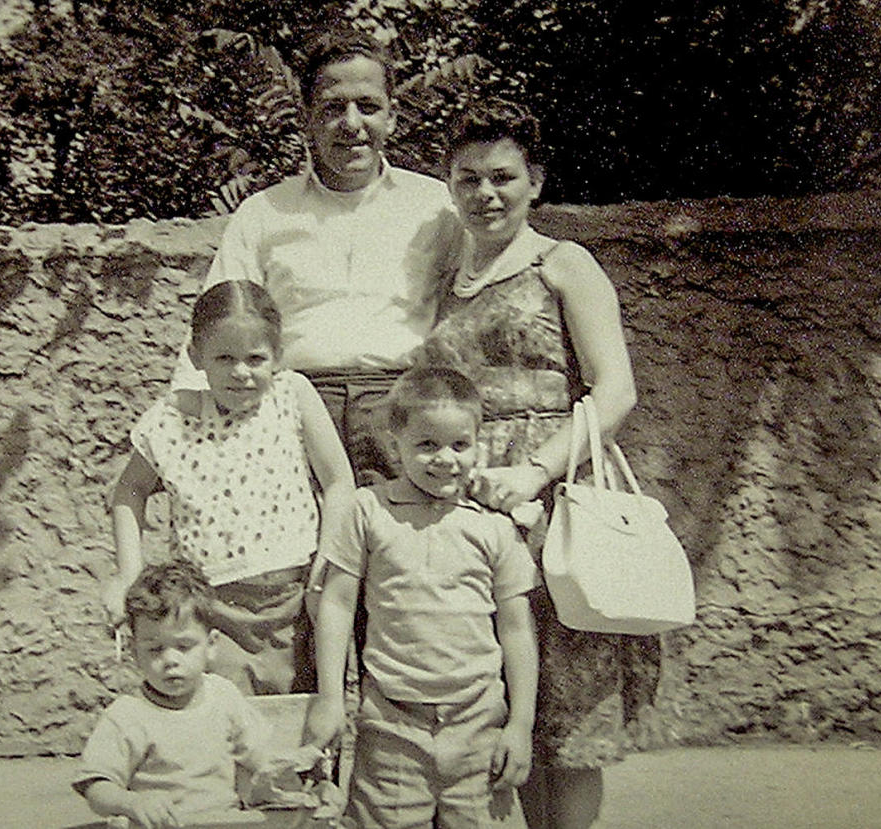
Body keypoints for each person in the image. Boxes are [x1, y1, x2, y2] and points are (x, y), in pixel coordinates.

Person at [417, 98, 651, 829]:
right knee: (507, 703)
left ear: (535, 182)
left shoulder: (564, 264)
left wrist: (538, 471)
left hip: (553, 500)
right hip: (472, 505)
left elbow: (616, 390)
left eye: (503, 177)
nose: (486, 194)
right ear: (449, 186)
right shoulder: (441, 284)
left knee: (569, 715)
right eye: (468, 179)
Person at [178, 26, 463, 484]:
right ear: (307, 118)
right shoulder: (263, 214)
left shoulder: (437, 208)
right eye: (333, 108)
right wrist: (194, 436)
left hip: (406, 417)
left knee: (403, 552)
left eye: (368, 106)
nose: (352, 124)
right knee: (297, 553)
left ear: (392, 117)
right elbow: (215, 326)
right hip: (290, 413)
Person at [303, 366, 540, 828]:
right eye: (426, 445)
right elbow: (335, 604)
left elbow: (516, 630)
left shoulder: (493, 525)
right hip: (392, 726)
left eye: (459, 445)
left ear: (480, 443)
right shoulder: (368, 511)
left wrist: (520, 724)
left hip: (478, 726)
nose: (445, 459)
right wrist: (331, 699)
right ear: (396, 446)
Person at [107, 280, 355, 695]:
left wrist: (326, 566)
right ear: (196, 356)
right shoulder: (171, 420)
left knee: (294, 732)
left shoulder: (292, 396)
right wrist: (129, 575)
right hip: (207, 611)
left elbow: (338, 481)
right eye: (224, 358)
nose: (241, 372)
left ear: (277, 356)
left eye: (255, 358)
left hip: (293, 602)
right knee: (222, 734)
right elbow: (127, 493)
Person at [72, 560, 273, 828]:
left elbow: (261, 759)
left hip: (225, 822)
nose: (170, 660)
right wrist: (130, 802)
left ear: (211, 646)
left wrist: (284, 785)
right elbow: (96, 786)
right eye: (155, 649)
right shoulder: (127, 715)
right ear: (134, 651)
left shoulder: (224, 697)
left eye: (184, 646)